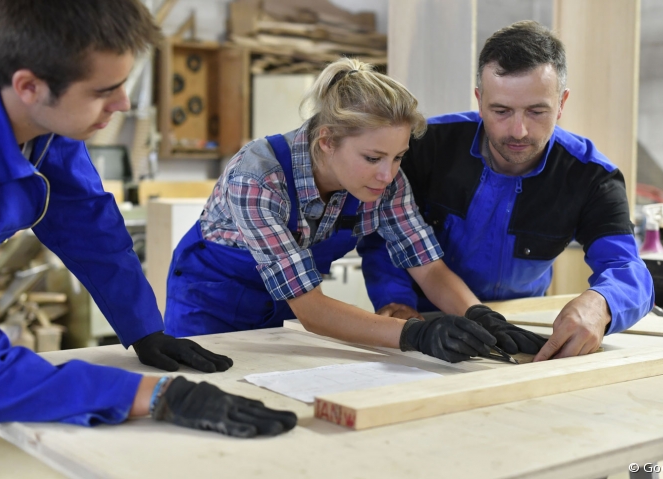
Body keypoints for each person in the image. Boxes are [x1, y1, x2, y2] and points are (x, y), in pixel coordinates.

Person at [0, 0, 296, 437]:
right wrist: (154, 394)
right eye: (102, 91)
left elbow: (86, 223)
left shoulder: (48, 127)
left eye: (123, 84)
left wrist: (144, 328)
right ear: (30, 86)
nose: (124, 104)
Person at [164, 57, 543, 363]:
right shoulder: (258, 177)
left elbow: (427, 267)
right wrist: (416, 334)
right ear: (327, 141)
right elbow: (312, 310)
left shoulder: (386, 182)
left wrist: (479, 315)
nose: (387, 174)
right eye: (373, 157)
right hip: (209, 307)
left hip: (280, 312)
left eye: (399, 157)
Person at [358, 20, 654, 362]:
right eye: (501, 111)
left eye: (537, 111)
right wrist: (395, 302)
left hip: (521, 330)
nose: (519, 130)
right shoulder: (425, 148)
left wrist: (602, 303)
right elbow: (383, 237)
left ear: (561, 103)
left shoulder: (591, 176)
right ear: (480, 100)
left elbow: (629, 270)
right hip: (426, 327)